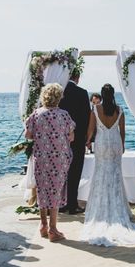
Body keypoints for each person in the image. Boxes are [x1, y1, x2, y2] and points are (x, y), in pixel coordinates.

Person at [81, 84, 135, 246]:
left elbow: (90, 130)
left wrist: (87, 141)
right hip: (115, 143)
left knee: (101, 174)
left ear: (102, 95)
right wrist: (122, 145)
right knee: (115, 176)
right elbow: (122, 131)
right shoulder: (119, 110)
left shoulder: (96, 109)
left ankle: (100, 210)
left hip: (102, 144)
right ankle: (118, 209)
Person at [26, 83, 75, 242]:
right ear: (59, 97)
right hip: (59, 159)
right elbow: (71, 137)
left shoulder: (36, 114)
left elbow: (28, 135)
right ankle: (53, 229)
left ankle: (43, 225)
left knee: (42, 189)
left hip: (41, 158)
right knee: (55, 190)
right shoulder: (64, 115)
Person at [58, 71, 91, 214]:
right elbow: (87, 116)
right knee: (75, 171)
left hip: (59, 139)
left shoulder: (59, 92)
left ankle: (60, 203)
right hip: (77, 139)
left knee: (61, 172)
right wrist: (87, 138)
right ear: (77, 77)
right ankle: (72, 204)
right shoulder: (82, 93)